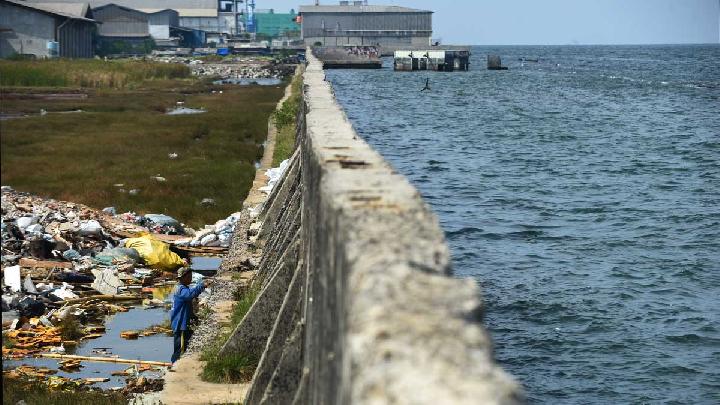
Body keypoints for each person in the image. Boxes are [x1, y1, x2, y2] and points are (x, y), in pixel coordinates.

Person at [170, 267, 211, 363]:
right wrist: (202, 285)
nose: (191, 279)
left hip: (183, 323)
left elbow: (186, 305)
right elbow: (189, 295)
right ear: (184, 277)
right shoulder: (181, 289)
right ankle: (175, 366)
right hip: (181, 324)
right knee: (180, 350)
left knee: (186, 347)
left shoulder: (180, 287)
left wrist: (193, 316)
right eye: (190, 276)